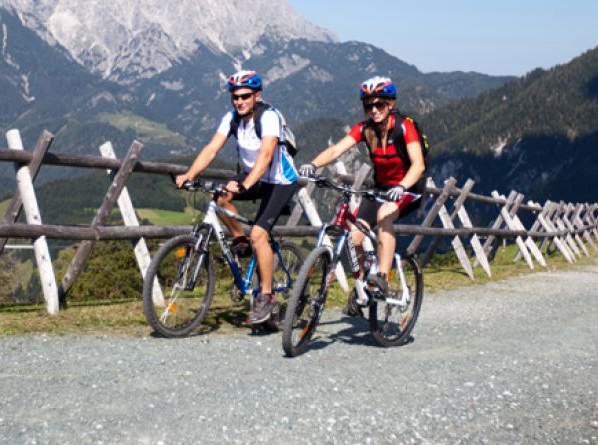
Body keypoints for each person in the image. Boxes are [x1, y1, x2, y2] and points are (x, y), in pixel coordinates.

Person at [175, 69, 299, 324]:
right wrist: (189, 174)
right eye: (235, 97)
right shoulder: (231, 118)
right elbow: (211, 148)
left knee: (259, 235)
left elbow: (266, 155)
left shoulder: (269, 116)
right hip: (255, 177)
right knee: (219, 196)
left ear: (257, 96)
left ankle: (266, 297)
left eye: (245, 96)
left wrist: (244, 185)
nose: (240, 101)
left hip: (280, 180)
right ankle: (239, 239)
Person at [297, 76, 425, 302]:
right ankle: (365, 286)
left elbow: (418, 165)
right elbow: (336, 150)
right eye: (368, 106)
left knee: (384, 214)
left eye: (379, 104)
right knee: (352, 239)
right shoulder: (365, 129)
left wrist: (402, 186)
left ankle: (382, 277)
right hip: (381, 188)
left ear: (390, 104)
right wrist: (313, 164)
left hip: (408, 188)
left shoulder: (405, 127)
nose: (373, 110)